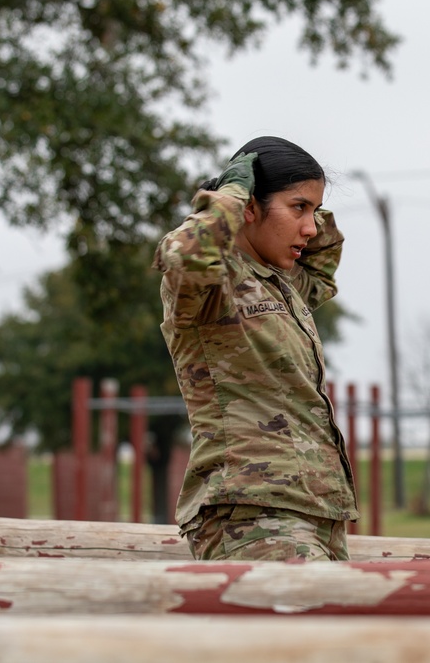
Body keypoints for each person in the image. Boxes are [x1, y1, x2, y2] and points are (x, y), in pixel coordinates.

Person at [153, 136, 358, 562]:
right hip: (251, 515)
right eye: (299, 208)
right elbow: (184, 253)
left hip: (312, 512)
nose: (310, 227)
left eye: (315, 212)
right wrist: (229, 197)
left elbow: (321, 269)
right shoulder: (212, 283)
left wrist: (306, 207)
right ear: (248, 207)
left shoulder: (281, 281)